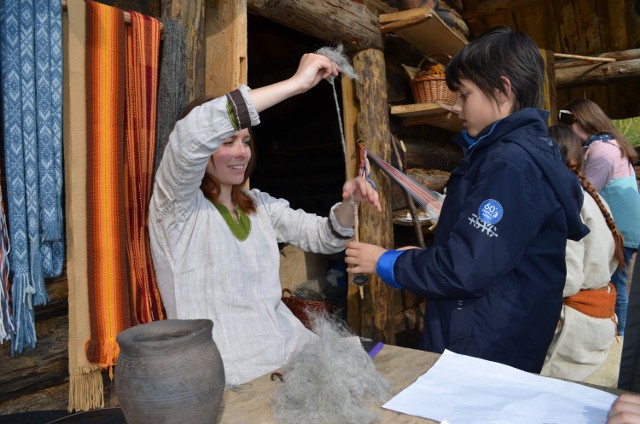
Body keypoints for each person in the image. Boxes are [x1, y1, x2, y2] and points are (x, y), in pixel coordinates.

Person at [344, 26, 588, 373]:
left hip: (484, 349)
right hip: (502, 335)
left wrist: (387, 263)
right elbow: (489, 255)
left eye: (464, 94)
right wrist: (428, 257)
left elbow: (467, 269)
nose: (456, 106)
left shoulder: (510, 165)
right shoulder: (511, 155)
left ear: (503, 91)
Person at [148, 53, 382, 386]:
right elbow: (192, 132)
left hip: (291, 355)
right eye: (227, 142)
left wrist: (350, 203)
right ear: (204, 152)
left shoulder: (259, 205)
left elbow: (326, 237)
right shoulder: (177, 209)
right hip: (229, 373)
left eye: (245, 141)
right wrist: (295, 84)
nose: (241, 152)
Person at [540, 124, 622, 381]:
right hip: (597, 321)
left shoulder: (564, 200)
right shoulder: (589, 193)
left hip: (575, 330)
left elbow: (569, 279)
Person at [560, 98, 640, 336]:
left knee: (613, 286)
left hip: (620, 231)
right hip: (626, 227)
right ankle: (620, 334)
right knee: (618, 285)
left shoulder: (602, 150)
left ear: (582, 121)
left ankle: (618, 335)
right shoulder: (609, 144)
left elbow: (587, 191)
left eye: (569, 121)